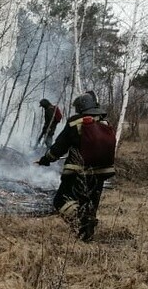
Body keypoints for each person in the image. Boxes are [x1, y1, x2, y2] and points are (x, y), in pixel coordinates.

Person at [36, 91, 116, 242]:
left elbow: (59, 147)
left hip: (77, 172)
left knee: (60, 201)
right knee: (90, 205)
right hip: (101, 173)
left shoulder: (75, 122)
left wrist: (46, 159)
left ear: (80, 108)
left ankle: (79, 220)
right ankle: (86, 237)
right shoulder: (104, 122)